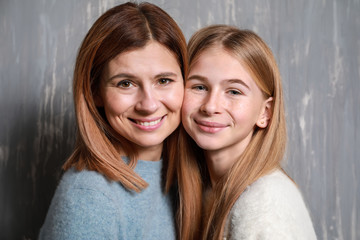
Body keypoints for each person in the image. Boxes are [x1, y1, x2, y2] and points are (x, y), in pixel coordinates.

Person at [39, 2, 187, 239]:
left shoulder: (184, 177)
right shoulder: (89, 196)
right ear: (95, 92)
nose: (148, 104)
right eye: (125, 83)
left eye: (164, 81)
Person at [176, 25, 317, 239]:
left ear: (265, 112)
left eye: (234, 91)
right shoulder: (203, 190)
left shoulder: (266, 203)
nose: (210, 106)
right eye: (199, 87)